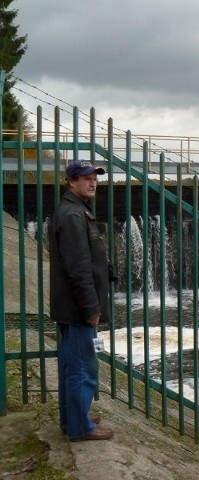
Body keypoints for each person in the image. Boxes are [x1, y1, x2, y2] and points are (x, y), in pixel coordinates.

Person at [49, 159, 114, 441]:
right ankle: (80, 428)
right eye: (86, 178)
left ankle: (73, 418)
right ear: (71, 181)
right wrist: (91, 309)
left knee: (70, 366)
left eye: (95, 177)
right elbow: (78, 270)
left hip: (69, 307)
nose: (93, 182)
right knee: (83, 368)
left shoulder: (74, 211)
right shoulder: (74, 216)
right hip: (79, 310)